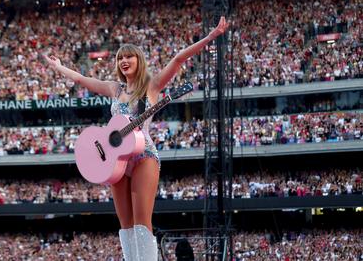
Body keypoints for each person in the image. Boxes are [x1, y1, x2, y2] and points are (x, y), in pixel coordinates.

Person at [43, 16, 228, 261]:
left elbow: (179, 58)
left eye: (128, 56)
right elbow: (80, 79)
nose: (124, 61)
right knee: (125, 225)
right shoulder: (115, 89)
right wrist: (58, 67)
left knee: (142, 222)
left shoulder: (152, 86)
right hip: (115, 159)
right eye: (120, 58)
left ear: (138, 60)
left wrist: (210, 37)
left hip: (144, 156)